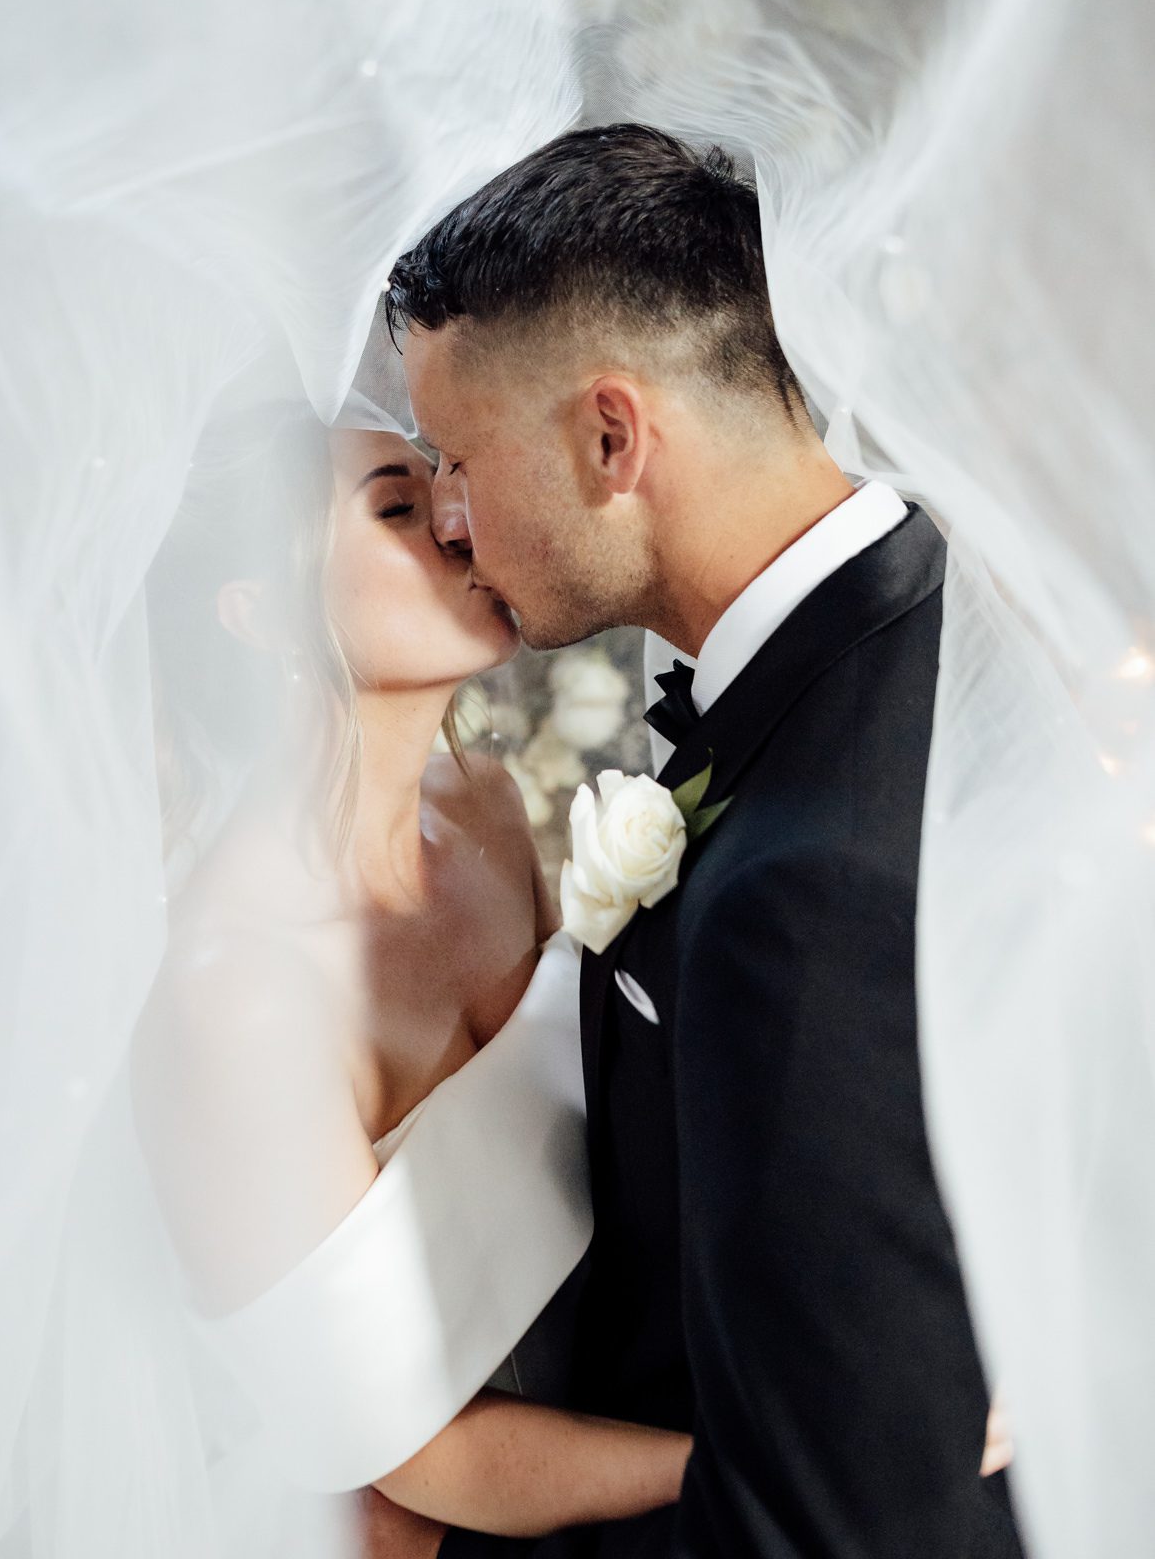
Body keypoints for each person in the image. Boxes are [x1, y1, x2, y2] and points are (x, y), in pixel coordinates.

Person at [386, 122, 1024, 1558]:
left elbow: (832, 1526)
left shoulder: (806, 890)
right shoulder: (946, 616)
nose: (450, 517)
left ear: (610, 438)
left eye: (458, 456)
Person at [132, 401, 692, 1545]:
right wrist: (773, 1452)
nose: (457, 517)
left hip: (633, 1420)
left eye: (444, 481)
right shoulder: (240, 989)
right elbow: (414, 1458)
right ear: (262, 614)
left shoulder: (484, 806)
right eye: (396, 507)